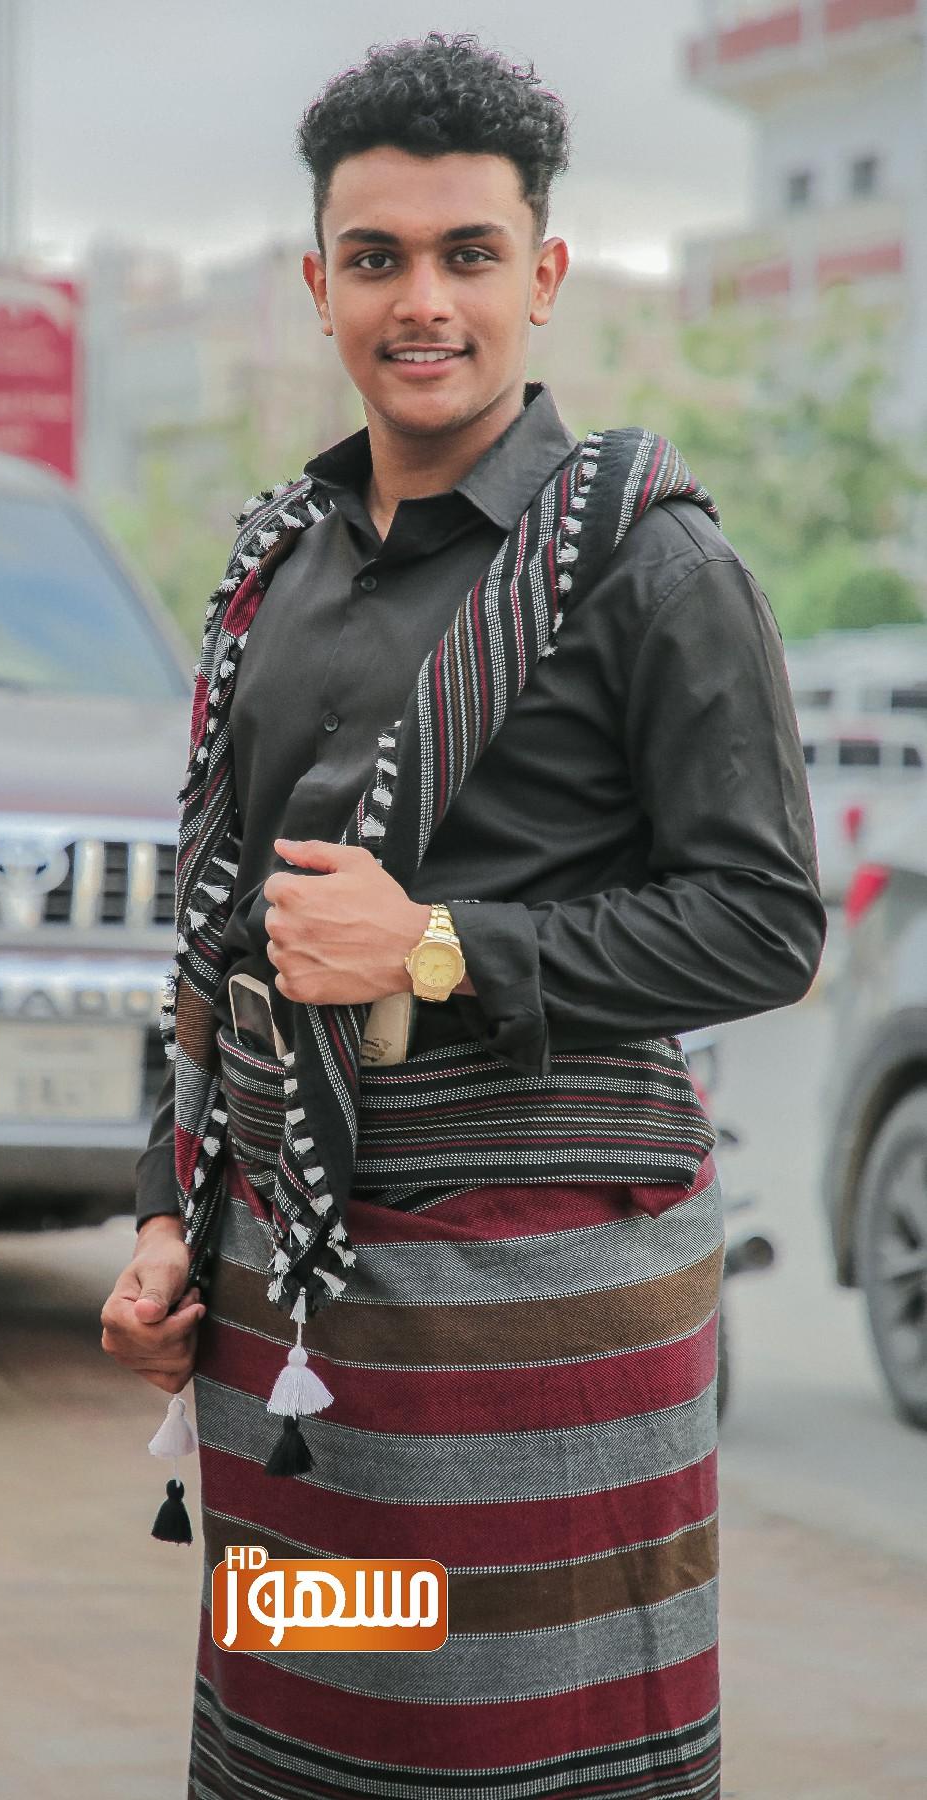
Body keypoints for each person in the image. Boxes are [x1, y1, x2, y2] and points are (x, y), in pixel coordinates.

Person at [100, 31, 826, 1799]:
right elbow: (219, 944)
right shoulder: (275, 567)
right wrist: (165, 1210)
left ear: (544, 276)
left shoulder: (656, 562)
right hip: (293, 1314)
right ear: (320, 286)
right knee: (310, 1719)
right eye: (377, 258)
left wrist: (436, 946)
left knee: (515, 1740)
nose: (422, 301)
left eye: (467, 255)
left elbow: (763, 922)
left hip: (539, 1316)